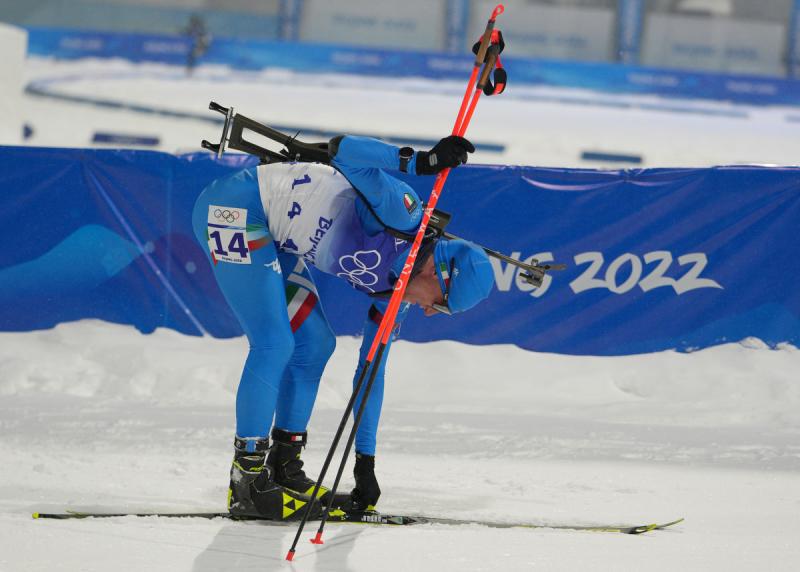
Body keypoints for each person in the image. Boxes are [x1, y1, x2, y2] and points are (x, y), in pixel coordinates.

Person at [191, 134, 494, 520]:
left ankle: (285, 467)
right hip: (234, 210)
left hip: (274, 236)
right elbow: (344, 151)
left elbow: (371, 373)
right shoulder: (402, 217)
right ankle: (247, 482)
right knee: (274, 343)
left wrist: (364, 465)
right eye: (441, 303)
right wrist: (421, 162)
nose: (432, 313)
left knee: (315, 344)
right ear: (438, 272)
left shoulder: (395, 295)